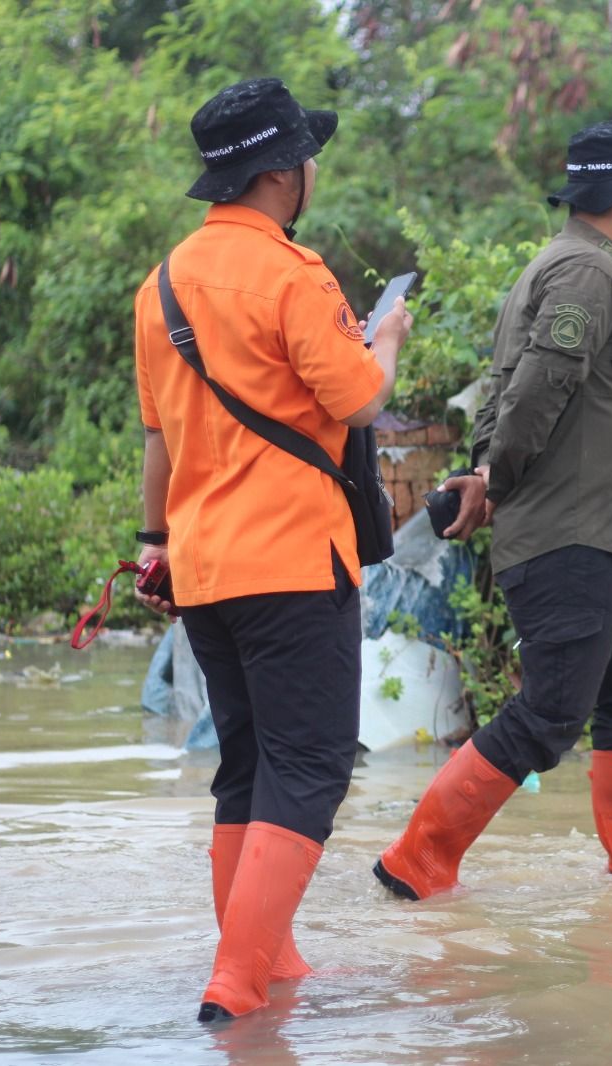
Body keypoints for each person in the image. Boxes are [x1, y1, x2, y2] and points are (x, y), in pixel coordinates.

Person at [130, 77, 411, 1021]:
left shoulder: (160, 285)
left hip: (203, 568)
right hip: (294, 562)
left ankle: (270, 958)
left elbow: (159, 439)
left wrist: (149, 542)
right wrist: (391, 340)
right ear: (286, 172)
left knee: (247, 767)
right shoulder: (296, 275)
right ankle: (238, 981)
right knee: (314, 765)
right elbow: (359, 398)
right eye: (309, 158)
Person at [373, 119, 612, 901]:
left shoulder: (579, 266)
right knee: (551, 711)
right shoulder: (588, 272)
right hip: (571, 533)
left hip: (607, 536)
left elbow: (507, 388)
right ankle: (417, 860)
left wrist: (487, 469)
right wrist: (496, 480)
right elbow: (536, 389)